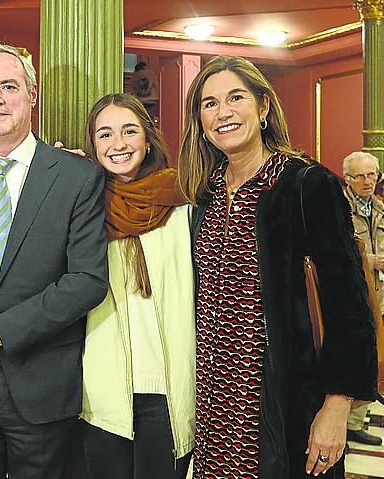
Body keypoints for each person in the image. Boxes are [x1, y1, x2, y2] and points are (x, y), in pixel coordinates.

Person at [177, 55, 378, 478]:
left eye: (236, 98)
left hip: (285, 398)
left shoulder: (308, 185)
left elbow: (349, 306)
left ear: (264, 106)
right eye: (209, 104)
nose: (223, 112)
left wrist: (336, 405)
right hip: (214, 401)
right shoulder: (204, 193)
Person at [0, 43, 108, 478]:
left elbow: (87, 280)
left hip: (43, 383)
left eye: (8, 86)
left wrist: (1, 331)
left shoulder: (77, 176)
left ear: (32, 95)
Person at [79, 93, 194, 479]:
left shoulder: (184, 200)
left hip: (169, 385)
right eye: (105, 134)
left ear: (148, 138)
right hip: (102, 390)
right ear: (93, 145)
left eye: (130, 131)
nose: (119, 144)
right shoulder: (83, 207)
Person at [341, 150, 384, 447]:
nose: (368, 181)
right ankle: (341, 422)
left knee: (373, 355)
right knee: (353, 355)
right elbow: (339, 254)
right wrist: (371, 261)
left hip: (379, 294)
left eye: (373, 175)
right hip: (351, 295)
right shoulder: (339, 208)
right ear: (347, 179)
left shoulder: (379, 208)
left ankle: (356, 422)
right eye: (361, 176)